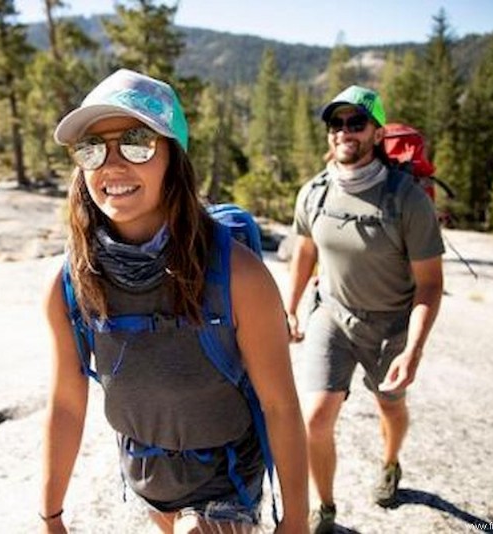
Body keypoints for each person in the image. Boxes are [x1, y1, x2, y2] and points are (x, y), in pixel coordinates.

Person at [41, 68, 308, 533]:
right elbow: (66, 403)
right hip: (148, 476)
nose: (112, 164)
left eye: (136, 143)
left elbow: (280, 405)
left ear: (174, 157)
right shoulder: (70, 282)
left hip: (225, 479)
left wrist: (297, 520)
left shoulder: (239, 274)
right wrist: (50, 515)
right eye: (92, 148)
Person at [284, 86, 444, 533]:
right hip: (333, 317)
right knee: (314, 420)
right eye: (337, 123)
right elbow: (304, 251)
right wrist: (292, 307)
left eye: (356, 123)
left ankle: (391, 463)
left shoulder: (406, 199)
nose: (344, 131)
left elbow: (430, 284)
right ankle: (327, 509)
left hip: (392, 325)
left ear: (377, 132)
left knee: (390, 407)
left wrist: (412, 350)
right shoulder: (314, 192)